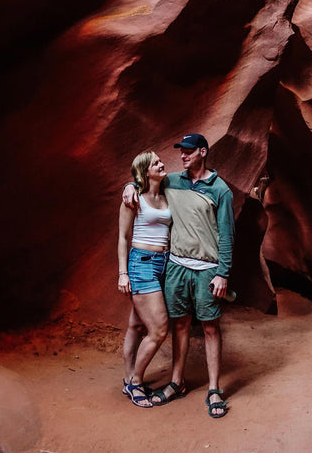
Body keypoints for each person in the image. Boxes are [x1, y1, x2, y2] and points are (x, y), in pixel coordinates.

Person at [122, 133, 234, 418]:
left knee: (210, 327)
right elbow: (144, 182)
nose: (182, 156)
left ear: (203, 152)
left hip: (207, 270)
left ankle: (214, 390)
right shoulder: (173, 180)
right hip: (176, 266)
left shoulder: (220, 190)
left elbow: (227, 237)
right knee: (180, 325)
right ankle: (176, 382)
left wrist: (222, 273)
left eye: (188, 152)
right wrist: (129, 186)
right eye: (181, 152)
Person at [118, 150, 172, 408]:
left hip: (163, 264)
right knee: (159, 328)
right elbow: (122, 237)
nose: (162, 164)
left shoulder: (166, 193)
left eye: (160, 161)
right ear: (144, 171)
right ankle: (135, 383)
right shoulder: (133, 197)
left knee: (137, 326)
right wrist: (122, 273)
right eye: (155, 163)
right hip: (141, 264)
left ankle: (128, 377)